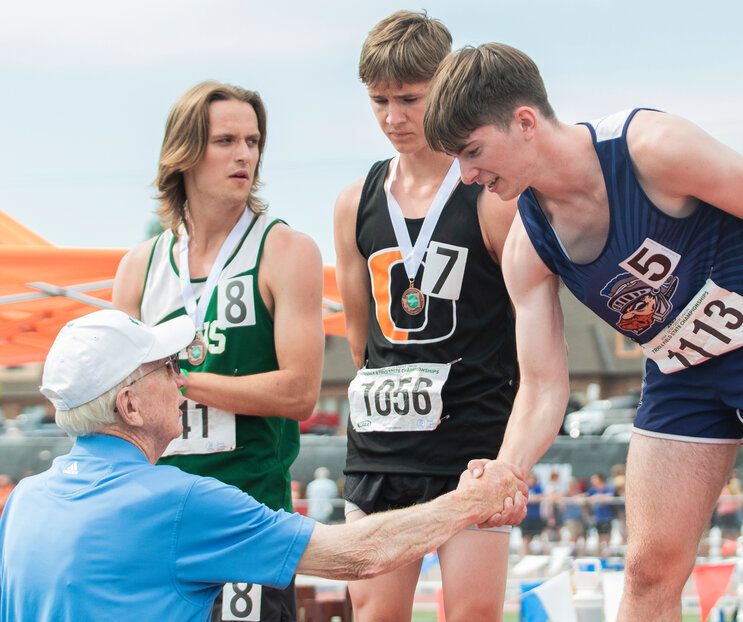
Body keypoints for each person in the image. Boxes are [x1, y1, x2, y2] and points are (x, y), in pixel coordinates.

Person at [424, 42, 743, 621]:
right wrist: (508, 467)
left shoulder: (652, 148)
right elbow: (544, 386)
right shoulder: (528, 245)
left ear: (524, 122)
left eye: (473, 152)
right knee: (649, 567)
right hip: (683, 369)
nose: (468, 176)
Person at [0, 310, 523, 622]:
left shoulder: (25, 500)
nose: (183, 380)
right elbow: (360, 554)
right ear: (130, 406)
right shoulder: (179, 501)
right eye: (168, 367)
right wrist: (471, 500)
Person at [112, 81, 325, 621]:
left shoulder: (286, 250)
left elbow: (300, 391)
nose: (245, 155)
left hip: (247, 518)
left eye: (253, 141)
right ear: (184, 153)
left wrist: (176, 380)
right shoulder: (141, 265)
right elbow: (116, 399)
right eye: (226, 140)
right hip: (157, 520)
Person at [332, 11, 520, 622]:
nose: (393, 118)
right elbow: (361, 338)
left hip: (470, 442)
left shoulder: (489, 193)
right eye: (379, 101)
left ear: (444, 85)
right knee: (376, 615)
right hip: (381, 449)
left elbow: (527, 326)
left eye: (409, 99)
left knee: (470, 614)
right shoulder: (353, 201)